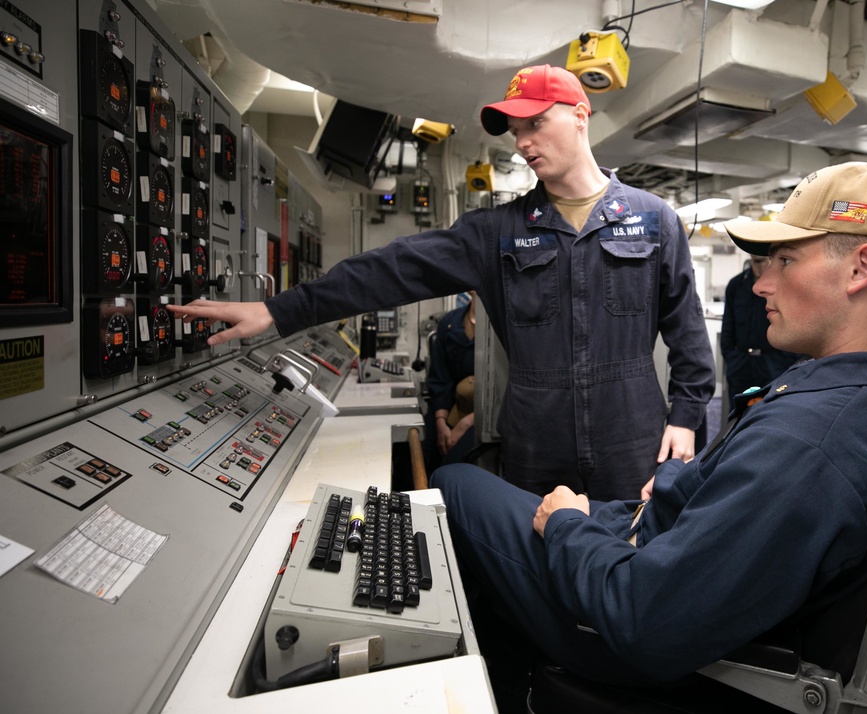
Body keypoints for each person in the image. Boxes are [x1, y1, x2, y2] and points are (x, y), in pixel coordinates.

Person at [429, 162, 867, 709]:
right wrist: (677, 481)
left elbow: (645, 618)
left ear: (861, 269)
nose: (762, 282)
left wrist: (566, 527)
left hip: (636, 630)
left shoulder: (811, 445)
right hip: (664, 547)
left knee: (456, 484)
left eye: (786, 260)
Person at [167, 64, 715, 501]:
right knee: (538, 573)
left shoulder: (652, 219)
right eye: (515, 130)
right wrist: (278, 311)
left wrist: (687, 417)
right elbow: (392, 269)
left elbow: (688, 333)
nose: (522, 142)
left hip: (633, 434)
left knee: (635, 560)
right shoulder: (497, 232)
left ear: (579, 114)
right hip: (535, 441)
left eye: (535, 123)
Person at [720, 253, 801, 411]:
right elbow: (728, 328)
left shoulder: (782, 286)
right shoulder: (736, 285)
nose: (760, 266)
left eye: (764, 260)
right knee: (738, 417)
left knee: (772, 415)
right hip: (741, 366)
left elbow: (794, 325)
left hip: (773, 365)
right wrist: (732, 359)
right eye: (756, 261)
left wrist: (784, 362)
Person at [424, 293, 476, 471]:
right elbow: (440, 377)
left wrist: (467, 423)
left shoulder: (504, 326)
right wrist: (440, 422)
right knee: (424, 451)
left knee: (450, 466)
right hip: (450, 407)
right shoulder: (450, 322)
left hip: (484, 417)